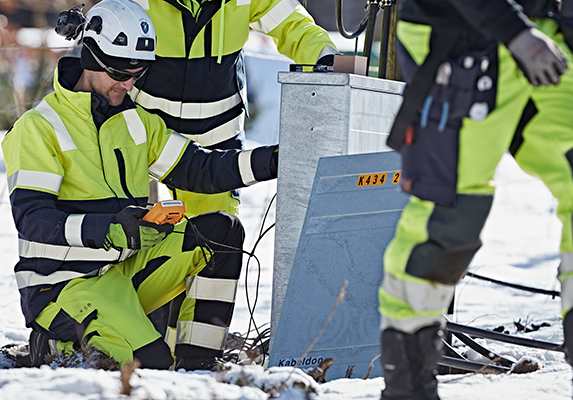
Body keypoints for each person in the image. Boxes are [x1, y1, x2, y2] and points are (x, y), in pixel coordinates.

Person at [1, 0, 278, 371]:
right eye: (119, 72)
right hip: (64, 287)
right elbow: (34, 221)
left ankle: (198, 362)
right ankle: (51, 344)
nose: (128, 84)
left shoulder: (136, 121)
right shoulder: (38, 129)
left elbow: (203, 168)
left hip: (124, 273)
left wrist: (274, 161)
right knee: (149, 363)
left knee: (221, 231)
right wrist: (111, 228)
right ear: (91, 57)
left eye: (138, 73)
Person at [379, 0, 572, 398]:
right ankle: (409, 384)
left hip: (548, 36)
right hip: (461, 35)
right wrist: (514, 30)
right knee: (448, 214)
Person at [129, 0, 337, 218]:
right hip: (145, 136)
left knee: (212, 240)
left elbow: (293, 24)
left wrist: (326, 57)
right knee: (128, 233)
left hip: (216, 140)